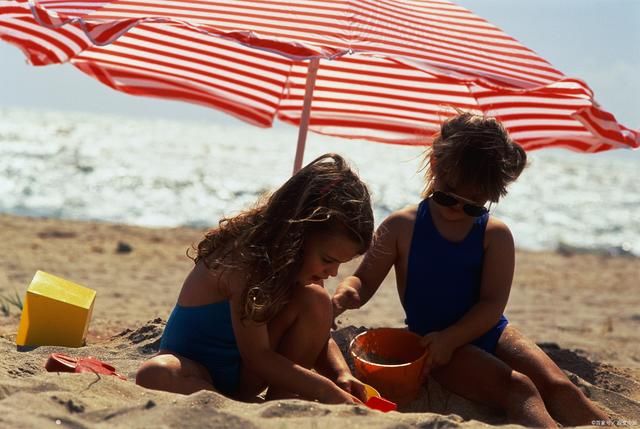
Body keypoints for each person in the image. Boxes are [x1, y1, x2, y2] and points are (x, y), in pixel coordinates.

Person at [331, 113, 609, 426]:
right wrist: (345, 295)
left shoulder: (495, 235)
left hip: (489, 331)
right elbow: (363, 281)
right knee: (520, 388)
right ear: (435, 166)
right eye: (447, 195)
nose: (457, 210)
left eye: (474, 204)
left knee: (562, 388)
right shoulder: (401, 227)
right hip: (435, 342)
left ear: (494, 194)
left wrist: (456, 336)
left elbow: (492, 305)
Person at [136, 153, 373, 404]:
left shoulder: (301, 268)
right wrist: (325, 391)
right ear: (297, 234)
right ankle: (228, 404)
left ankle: (283, 399)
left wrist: (340, 375)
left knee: (316, 299)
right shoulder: (242, 261)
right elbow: (257, 356)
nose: (333, 272)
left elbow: (319, 336)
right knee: (155, 373)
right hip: (196, 369)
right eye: (327, 259)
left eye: (339, 264)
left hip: (246, 378)